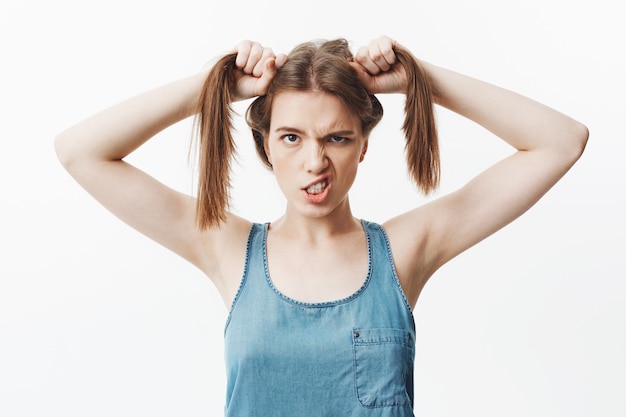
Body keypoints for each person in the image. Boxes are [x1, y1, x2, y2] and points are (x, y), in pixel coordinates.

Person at [54, 36, 588, 416]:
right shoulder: (227, 248)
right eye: (291, 137)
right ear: (265, 145)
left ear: (363, 146)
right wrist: (215, 85)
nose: (315, 163)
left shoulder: (403, 250)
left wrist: (418, 78)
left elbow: (561, 141)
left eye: (337, 138)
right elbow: (81, 152)